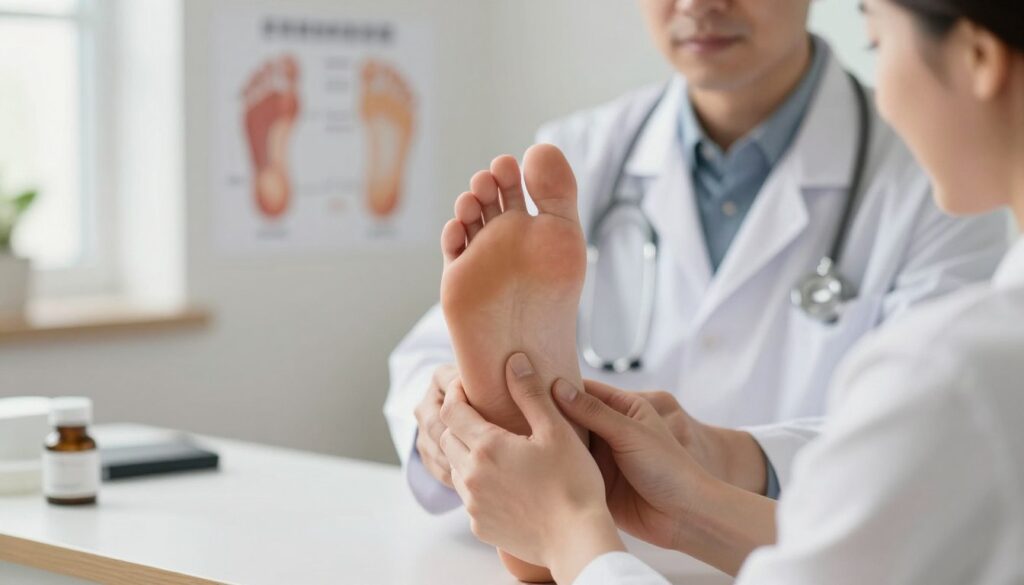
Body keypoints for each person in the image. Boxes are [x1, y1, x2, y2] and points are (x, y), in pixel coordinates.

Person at [439, 0, 1024, 583]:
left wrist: (567, 531)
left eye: (876, 43)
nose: (697, 4)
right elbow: (878, 546)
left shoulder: (960, 364)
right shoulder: (587, 149)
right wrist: (697, 505)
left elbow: (912, 464)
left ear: (978, 58)